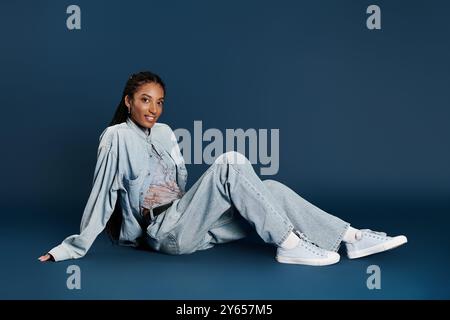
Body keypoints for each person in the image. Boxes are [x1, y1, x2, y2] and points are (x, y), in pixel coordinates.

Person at [38, 71, 407, 266]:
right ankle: (290, 245)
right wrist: (70, 249)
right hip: (167, 232)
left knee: (272, 188)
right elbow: (102, 194)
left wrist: (192, 201)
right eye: (145, 100)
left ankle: (352, 238)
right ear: (128, 101)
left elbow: (182, 183)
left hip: (195, 224)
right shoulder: (116, 136)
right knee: (230, 161)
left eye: (160, 102)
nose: (153, 109)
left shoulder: (165, 133)